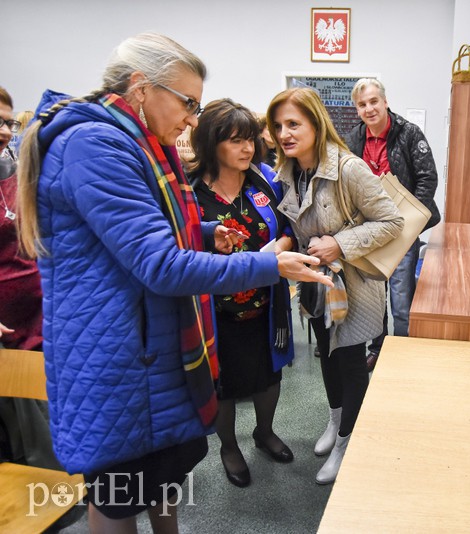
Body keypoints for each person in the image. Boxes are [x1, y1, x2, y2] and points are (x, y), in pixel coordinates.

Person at [16, 33, 331, 531]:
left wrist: (205, 232)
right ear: (142, 88)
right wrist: (269, 266)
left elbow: (144, 229)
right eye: (188, 103)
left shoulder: (132, 141)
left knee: (159, 477)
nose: (190, 118)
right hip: (118, 355)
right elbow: (160, 265)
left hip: (145, 345)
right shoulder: (95, 145)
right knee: (119, 498)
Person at [267, 87, 403, 484]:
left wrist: (339, 243)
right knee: (326, 354)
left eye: (294, 124)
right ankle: (335, 420)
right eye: (278, 126)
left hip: (354, 284)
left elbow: (392, 222)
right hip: (317, 286)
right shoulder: (289, 172)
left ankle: (347, 442)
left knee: (349, 361)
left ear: (316, 124)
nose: (284, 134)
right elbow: (296, 225)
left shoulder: (348, 168)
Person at [188, 99, 297, 488]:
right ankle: (228, 447)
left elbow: (289, 230)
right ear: (211, 143)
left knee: (270, 374)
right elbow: (182, 252)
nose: (247, 148)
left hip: (267, 303)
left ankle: (264, 433)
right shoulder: (192, 192)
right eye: (236, 141)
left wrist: (271, 255)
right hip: (216, 310)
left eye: (250, 139)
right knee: (225, 383)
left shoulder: (266, 180)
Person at [345, 78, 441, 371]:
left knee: (400, 297)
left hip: (402, 230)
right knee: (374, 296)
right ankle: (378, 347)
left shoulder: (409, 133)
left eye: (374, 101)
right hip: (369, 230)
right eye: (362, 104)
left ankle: (402, 350)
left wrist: (410, 221)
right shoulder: (353, 139)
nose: (369, 108)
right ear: (357, 109)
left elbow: (428, 178)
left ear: (385, 102)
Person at [0, 86, 63, 473]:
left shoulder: (11, 172)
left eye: (7, 122)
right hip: (6, 323)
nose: (4, 131)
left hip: (37, 316)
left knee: (37, 419)